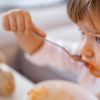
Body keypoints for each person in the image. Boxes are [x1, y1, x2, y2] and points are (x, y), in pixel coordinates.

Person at [2, 0, 100, 98]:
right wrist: (21, 27)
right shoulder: (83, 62)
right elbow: (43, 50)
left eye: (98, 39)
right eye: (82, 32)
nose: (82, 49)